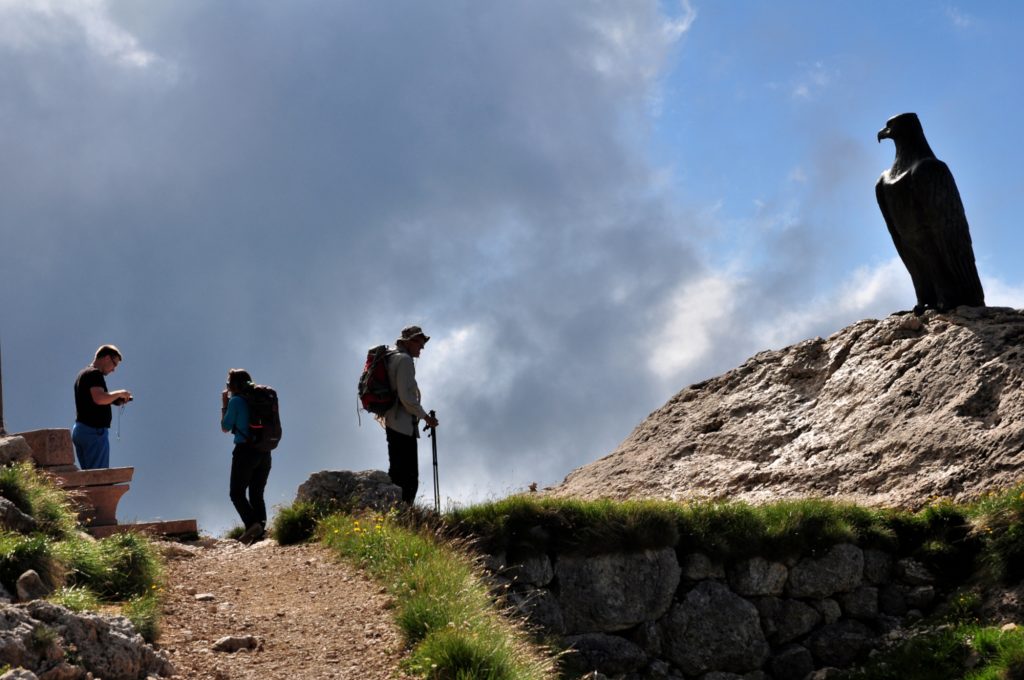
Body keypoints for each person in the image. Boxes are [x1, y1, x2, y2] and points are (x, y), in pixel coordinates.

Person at [383, 325, 439, 504]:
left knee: (397, 471)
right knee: (409, 476)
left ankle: (394, 511)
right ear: (410, 341)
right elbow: (406, 398)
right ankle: (404, 513)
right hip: (403, 425)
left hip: (392, 421)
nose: (422, 348)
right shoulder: (405, 360)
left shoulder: (391, 356)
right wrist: (426, 417)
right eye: (420, 344)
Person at [221, 368, 271, 544]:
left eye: (228, 383)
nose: (227, 386)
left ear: (234, 385)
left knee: (236, 493)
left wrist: (224, 404)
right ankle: (260, 530)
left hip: (245, 451)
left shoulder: (235, 401)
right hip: (264, 451)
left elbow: (225, 427)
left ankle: (252, 525)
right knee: (256, 493)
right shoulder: (259, 398)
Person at [72, 345, 132, 470]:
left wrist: (115, 400)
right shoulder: (94, 374)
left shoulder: (83, 374)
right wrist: (120, 393)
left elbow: (94, 400)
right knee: (98, 477)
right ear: (106, 358)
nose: (113, 369)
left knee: (88, 476)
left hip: (81, 429)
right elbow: (99, 398)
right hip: (93, 432)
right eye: (114, 364)